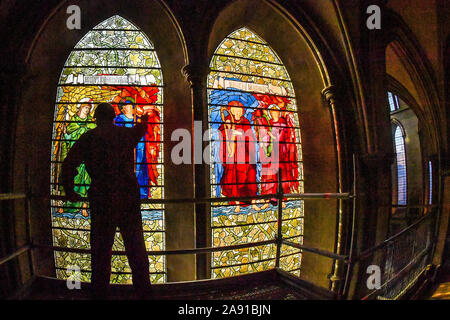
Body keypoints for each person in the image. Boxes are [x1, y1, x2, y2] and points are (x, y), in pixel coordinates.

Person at [61, 102, 151, 299]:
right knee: (136, 249)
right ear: (113, 117)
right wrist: (144, 119)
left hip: (101, 198)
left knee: (101, 253)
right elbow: (140, 129)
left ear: (95, 118)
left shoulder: (88, 138)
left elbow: (68, 164)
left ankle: (100, 294)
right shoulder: (124, 135)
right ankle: (144, 294)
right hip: (127, 197)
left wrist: (70, 191)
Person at [219, 101, 260, 213]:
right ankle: (237, 203)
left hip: (246, 156)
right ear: (231, 111)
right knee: (234, 178)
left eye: (239, 110)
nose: (237, 112)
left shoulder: (245, 122)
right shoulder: (227, 122)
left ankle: (253, 203)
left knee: (250, 177)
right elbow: (223, 136)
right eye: (234, 110)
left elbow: (250, 137)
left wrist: (239, 134)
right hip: (233, 156)